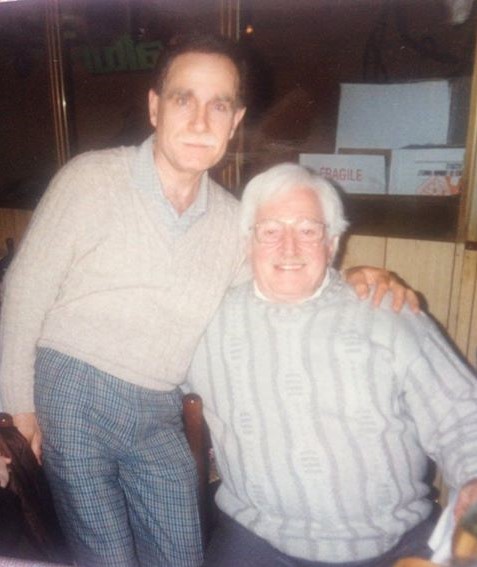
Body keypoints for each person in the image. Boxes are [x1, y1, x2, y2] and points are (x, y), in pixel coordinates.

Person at [0, 34, 415, 567]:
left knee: (183, 550)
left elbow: (278, 289)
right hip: (74, 389)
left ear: (235, 121)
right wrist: (20, 409)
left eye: (218, 105)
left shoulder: (230, 221)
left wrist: (350, 278)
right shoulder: (91, 179)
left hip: (158, 407)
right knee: (106, 555)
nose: (200, 121)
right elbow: (23, 291)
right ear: (155, 107)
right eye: (183, 100)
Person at [187, 162, 477, 567]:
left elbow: (462, 415)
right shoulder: (206, 322)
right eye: (270, 231)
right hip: (259, 541)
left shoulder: (388, 312)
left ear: (333, 243)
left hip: (395, 542)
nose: (289, 247)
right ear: (247, 242)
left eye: (308, 230)